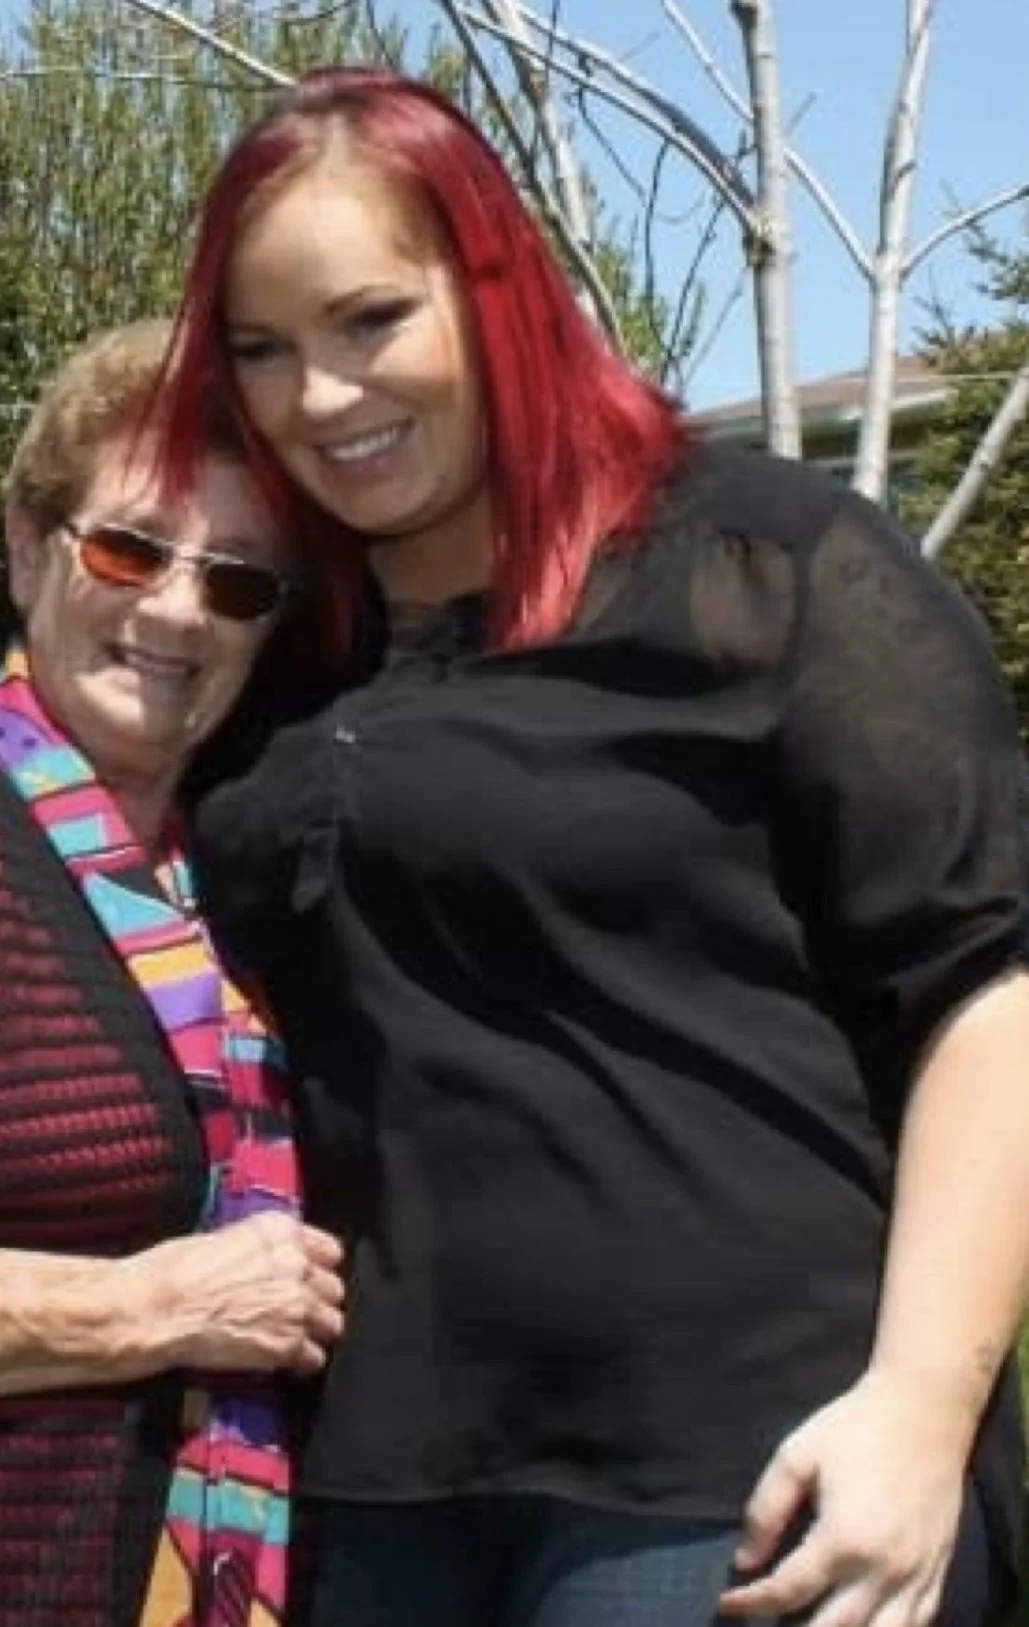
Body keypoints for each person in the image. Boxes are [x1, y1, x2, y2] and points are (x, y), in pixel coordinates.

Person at [152, 66, 1029, 1627]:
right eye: (264, 351)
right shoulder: (273, 646)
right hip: (374, 1483)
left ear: (497, 291)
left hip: (739, 1469)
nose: (324, 397)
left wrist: (919, 1406)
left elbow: (984, 990)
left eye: (371, 321)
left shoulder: (767, 568)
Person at [0, 318, 345, 1627]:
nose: (177, 608)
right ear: (30, 547)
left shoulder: (254, 878)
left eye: (238, 581)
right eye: (128, 547)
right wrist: (144, 1304)